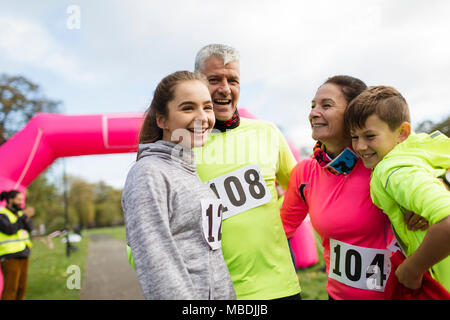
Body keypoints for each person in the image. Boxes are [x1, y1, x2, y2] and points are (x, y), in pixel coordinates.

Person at [280, 75, 427, 300]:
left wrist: (425, 210)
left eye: (326, 105)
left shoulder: (382, 161)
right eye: (312, 106)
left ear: (354, 112)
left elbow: (436, 195)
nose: (313, 113)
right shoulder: (304, 172)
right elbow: (280, 230)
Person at [193, 44, 301, 300]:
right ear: (196, 81)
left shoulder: (267, 132)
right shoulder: (180, 143)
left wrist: (281, 224)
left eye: (233, 80)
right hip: (214, 293)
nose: (225, 88)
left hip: (279, 286)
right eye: (214, 79)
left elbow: (305, 189)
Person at [122, 70, 236, 300]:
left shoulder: (190, 173)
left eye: (207, 107)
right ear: (162, 119)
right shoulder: (148, 173)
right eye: (188, 108)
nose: (202, 117)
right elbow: (156, 263)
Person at [344, 85, 450, 293]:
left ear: (402, 132)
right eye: (354, 137)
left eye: (370, 136)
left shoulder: (392, 170)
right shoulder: (422, 151)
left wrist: (412, 269)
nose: (360, 146)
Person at [0, 190, 34, 300]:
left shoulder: (20, 213)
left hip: (23, 254)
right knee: (11, 289)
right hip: (9, 257)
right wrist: (24, 217)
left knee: (21, 288)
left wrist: (27, 217)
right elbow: (10, 229)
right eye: (18, 199)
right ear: (10, 199)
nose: (21, 202)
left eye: (22, 200)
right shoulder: (2, 214)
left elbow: (30, 228)